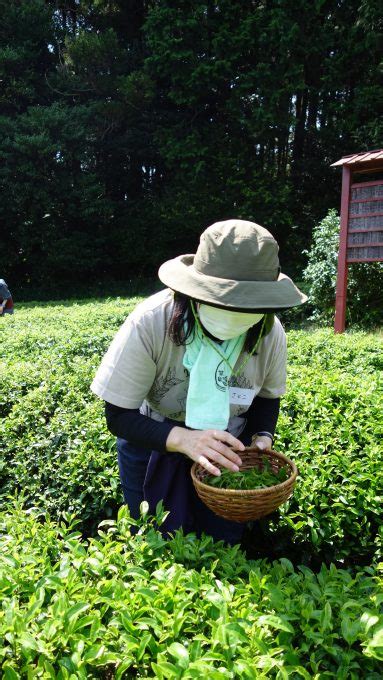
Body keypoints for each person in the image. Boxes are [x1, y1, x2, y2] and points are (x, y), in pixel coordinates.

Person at [91, 219, 307, 544]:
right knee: (156, 540)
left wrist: (262, 436)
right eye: (223, 301)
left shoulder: (269, 331)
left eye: (249, 306)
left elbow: (266, 398)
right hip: (154, 441)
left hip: (226, 451)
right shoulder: (152, 321)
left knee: (221, 541)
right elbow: (118, 415)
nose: (237, 314)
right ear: (196, 291)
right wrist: (185, 440)